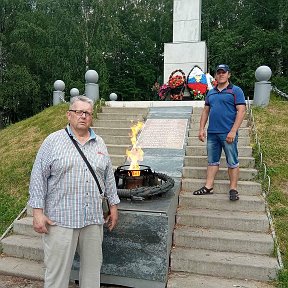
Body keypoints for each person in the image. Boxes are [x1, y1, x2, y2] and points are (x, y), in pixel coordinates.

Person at [28, 95, 120, 288]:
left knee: (92, 275)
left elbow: (108, 177)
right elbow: (38, 177)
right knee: (57, 277)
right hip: (61, 220)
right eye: (79, 112)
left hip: (93, 220)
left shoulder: (100, 143)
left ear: (91, 117)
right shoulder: (53, 141)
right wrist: (37, 213)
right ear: (69, 115)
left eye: (87, 113)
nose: (83, 116)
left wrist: (113, 205)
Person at [193, 64, 246, 201]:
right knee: (212, 161)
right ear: (216, 75)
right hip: (212, 133)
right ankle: (208, 187)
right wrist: (201, 129)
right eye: (219, 72)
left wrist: (233, 131)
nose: (221, 74)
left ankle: (233, 189)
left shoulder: (236, 90)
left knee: (232, 161)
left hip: (228, 133)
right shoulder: (211, 92)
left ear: (229, 74)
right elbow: (205, 111)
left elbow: (241, 111)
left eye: (224, 72)